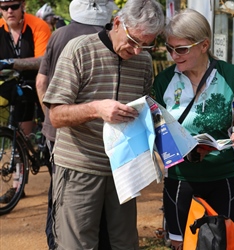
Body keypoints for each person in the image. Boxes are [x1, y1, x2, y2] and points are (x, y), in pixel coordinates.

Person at [42, 0, 164, 249]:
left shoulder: (142, 62)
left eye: (145, 44)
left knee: (124, 244)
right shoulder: (79, 49)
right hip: (80, 168)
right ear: (118, 23)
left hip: (125, 171)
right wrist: (96, 109)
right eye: (133, 41)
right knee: (77, 245)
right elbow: (55, 115)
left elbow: (144, 113)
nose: (137, 50)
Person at [151, 9, 234, 250]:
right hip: (181, 180)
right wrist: (180, 151)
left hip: (226, 178)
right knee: (182, 245)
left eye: (182, 49)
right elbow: (157, 135)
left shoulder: (231, 76)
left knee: (225, 244)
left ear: (204, 45)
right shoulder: (164, 81)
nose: (174, 56)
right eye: (170, 48)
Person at [36, 0, 118, 249]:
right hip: (109, 142)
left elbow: (41, 82)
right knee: (106, 214)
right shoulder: (110, 37)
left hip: (63, 139)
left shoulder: (60, 34)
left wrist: (51, 119)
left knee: (61, 204)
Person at [0, 0, 51, 203]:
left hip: (38, 80)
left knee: (37, 117)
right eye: (4, 7)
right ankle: (17, 184)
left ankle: (46, 151)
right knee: (16, 130)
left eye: (13, 6)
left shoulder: (38, 26)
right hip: (9, 82)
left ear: (23, 6)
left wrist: (12, 62)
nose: (9, 11)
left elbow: (42, 61)